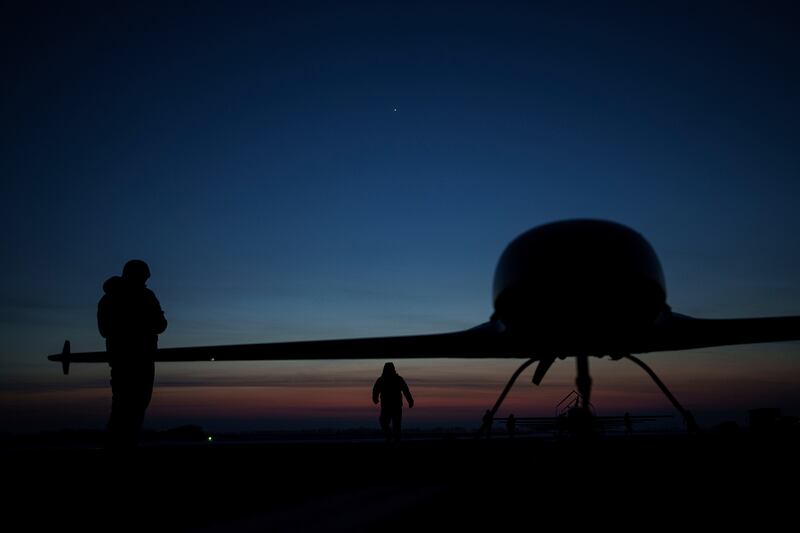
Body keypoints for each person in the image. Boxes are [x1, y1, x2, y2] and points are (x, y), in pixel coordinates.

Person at [98, 259, 167, 449]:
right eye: (144, 277)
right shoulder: (145, 296)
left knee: (123, 405)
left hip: (120, 360)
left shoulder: (108, 299)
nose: (146, 281)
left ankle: (120, 444)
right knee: (134, 405)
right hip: (141, 359)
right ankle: (124, 445)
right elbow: (161, 325)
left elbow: (104, 330)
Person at [372, 362, 414, 442]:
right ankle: (390, 438)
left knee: (394, 425)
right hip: (388, 406)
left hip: (394, 406)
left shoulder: (396, 379)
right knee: (386, 423)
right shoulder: (383, 380)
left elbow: (405, 390)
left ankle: (393, 439)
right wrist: (375, 399)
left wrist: (410, 401)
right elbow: (375, 390)